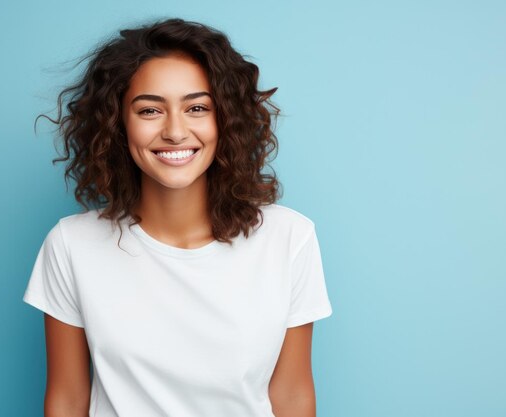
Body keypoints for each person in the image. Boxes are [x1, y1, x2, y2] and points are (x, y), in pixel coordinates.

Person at [23, 17, 333, 417]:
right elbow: (66, 400)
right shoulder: (71, 245)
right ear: (119, 124)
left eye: (197, 108)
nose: (174, 131)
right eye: (150, 110)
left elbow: (292, 396)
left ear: (225, 120)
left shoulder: (290, 238)